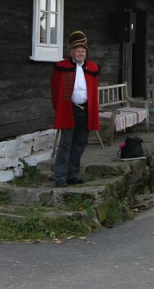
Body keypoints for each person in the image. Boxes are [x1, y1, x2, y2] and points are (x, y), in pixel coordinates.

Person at [50, 31, 100, 188]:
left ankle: (72, 174)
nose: (81, 54)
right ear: (72, 52)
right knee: (65, 144)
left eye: (83, 51)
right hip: (68, 110)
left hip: (85, 110)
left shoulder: (92, 68)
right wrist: (59, 109)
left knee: (80, 143)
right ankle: (60, 176)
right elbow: (55, 90)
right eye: (78, 51)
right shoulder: (62, 67)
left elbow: (93, 91)